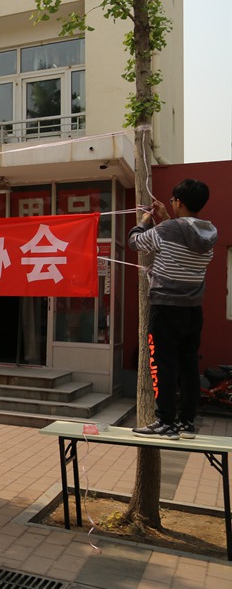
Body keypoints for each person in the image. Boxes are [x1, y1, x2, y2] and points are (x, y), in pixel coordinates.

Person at [130, 179, 216, 440]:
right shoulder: (209, 232)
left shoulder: (168, 229)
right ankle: (186, 423)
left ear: (178, 202)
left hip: (166, 307)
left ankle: (165, 421)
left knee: (163, 364)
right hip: (193, 310)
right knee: (188, 365)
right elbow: (182, 234)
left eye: (172, 201)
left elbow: (135, 242)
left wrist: (145, 220)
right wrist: (167, 217)